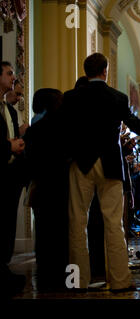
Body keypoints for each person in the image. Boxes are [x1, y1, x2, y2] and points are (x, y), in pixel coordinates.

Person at [61, 53, 140, 292]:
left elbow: (64, 130)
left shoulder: (71, 97)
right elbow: (133, 123)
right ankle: (119, 281)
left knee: (77, 222)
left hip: (81, 162)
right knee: (114, 224)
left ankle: (78, 281)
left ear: (86, 72)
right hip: (110, 164)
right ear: (105, 71)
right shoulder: (117, 97)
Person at [23, 88, 68, 291]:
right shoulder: (66, 128)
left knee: (43, 234)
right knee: (63, 235)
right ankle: (68, 280)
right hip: (63, 187)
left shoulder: (34, 130)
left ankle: (45, 281)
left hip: (42, 187)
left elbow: (30, 162)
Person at [0, 61, 26, 297]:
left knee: (7, 222)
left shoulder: (7, 109)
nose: (13, 79)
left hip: (10, 173)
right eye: (9, 74)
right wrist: (9, 145)